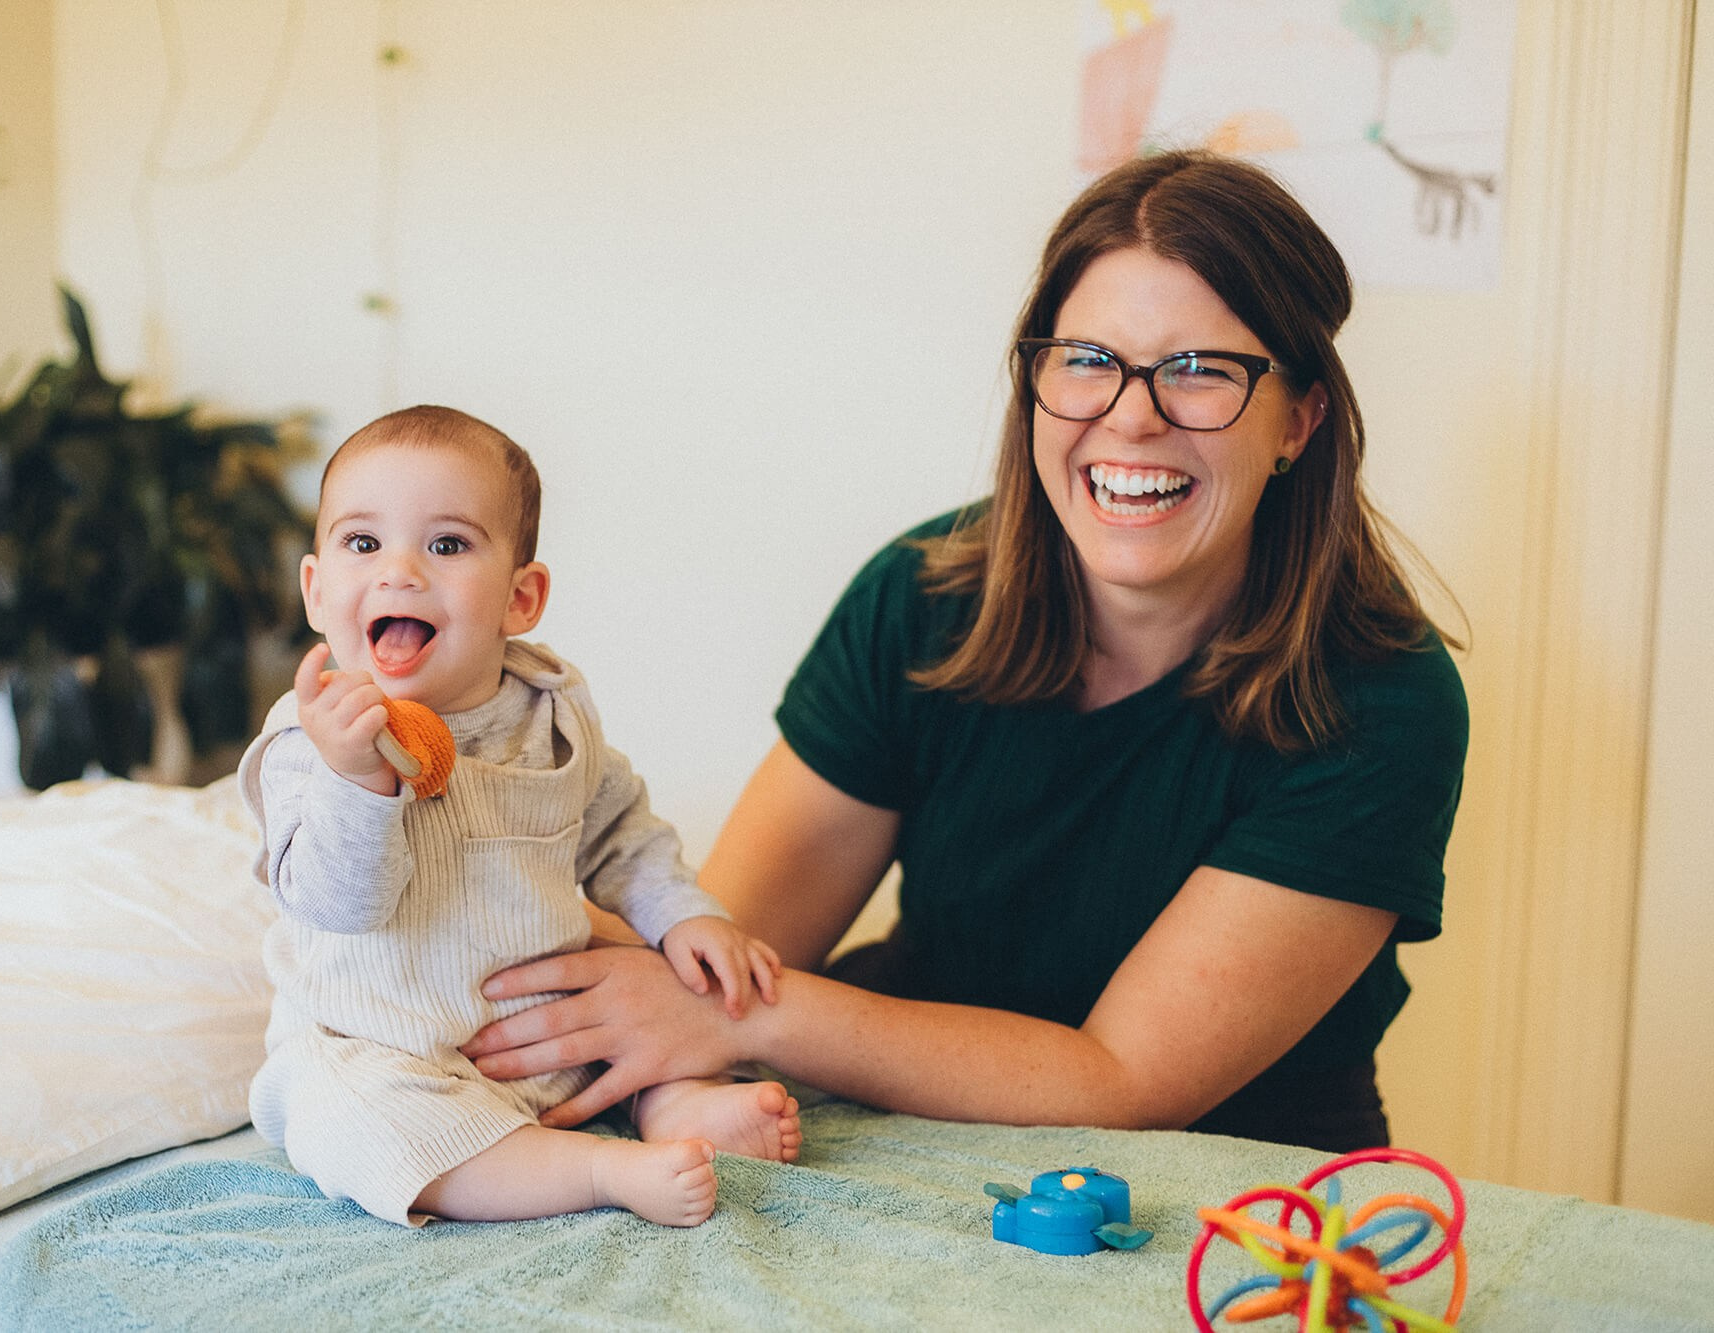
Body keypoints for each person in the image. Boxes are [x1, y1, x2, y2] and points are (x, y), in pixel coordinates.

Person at [460, 149, 1469, 1155]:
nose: (1131, 417)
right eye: (1087, 360)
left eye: (1199, 370)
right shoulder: (921, 596)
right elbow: (722, 956)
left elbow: (1122, 1080)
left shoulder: (1383, 700)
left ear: (1298, 421)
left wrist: (750, 1016)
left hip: (1249, 1181)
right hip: (902, 1132)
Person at [240, 405, 801, 1230]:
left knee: (657, 1024)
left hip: (545, 1032)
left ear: (521, 596)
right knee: (343, 1118)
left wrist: (683, 912)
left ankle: (677, 1106)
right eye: (364, 542)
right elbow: (338, 904)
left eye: (447, 545)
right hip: (384, 1047)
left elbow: (618, 830)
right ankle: (602, 1170)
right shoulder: (308, 742)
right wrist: (355, 779)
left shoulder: (551, 712)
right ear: (317, 590)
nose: (400, 572)